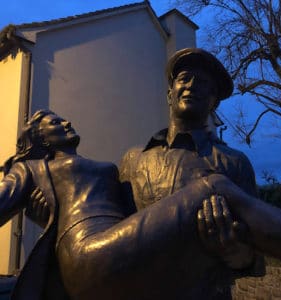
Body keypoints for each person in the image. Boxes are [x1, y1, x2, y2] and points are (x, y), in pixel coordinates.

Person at [0, 109, 244, 300]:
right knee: (214, 187)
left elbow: (129, 212)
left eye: (63, 119)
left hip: (120, 246)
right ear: (41, 139)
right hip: (89, 252)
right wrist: (50, 219)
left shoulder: (105, 166)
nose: (66, 123)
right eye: (55, 123)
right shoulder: (31, 169)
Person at [120, 48, 264, 298]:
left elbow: (252, 258)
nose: (192, 86)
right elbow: (112, 236)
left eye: (203, 83)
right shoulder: (134, 160)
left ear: (213, 102)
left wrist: (234, 251)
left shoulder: (235, 164)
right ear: (169, 94)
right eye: (184, 78)